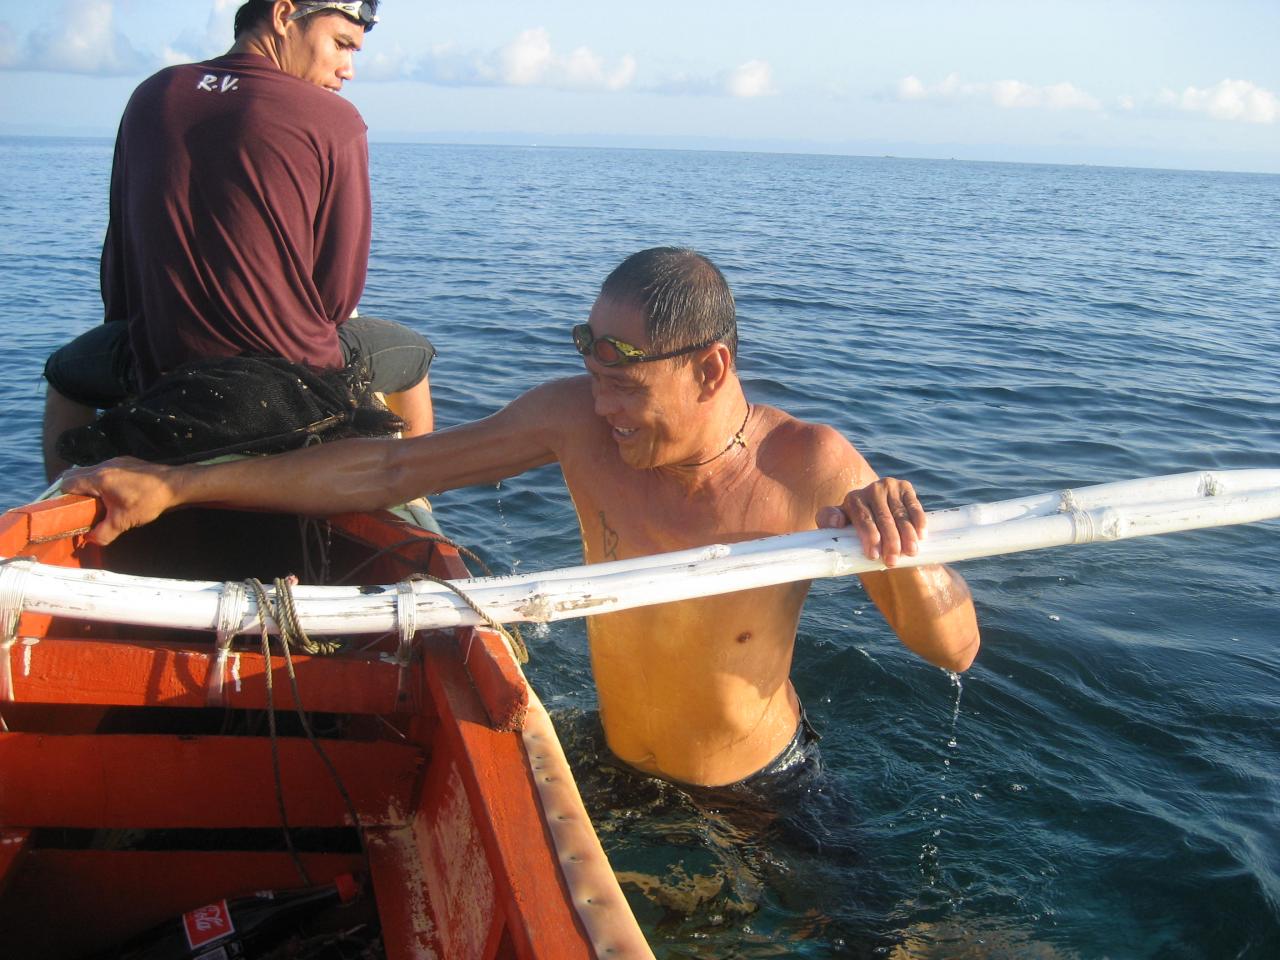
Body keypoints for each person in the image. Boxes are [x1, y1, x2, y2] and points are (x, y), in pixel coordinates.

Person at [65, 247, 981, 795]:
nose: (604, 405)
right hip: (617, 762)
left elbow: (954, 650)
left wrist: (897, 546)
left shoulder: (808, 466)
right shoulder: (573, 423)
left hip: (763, 788)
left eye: (627, 384)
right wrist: (182, 487)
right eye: (593, 376)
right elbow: (388, 467)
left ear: (710, 369)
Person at [42, 0, 436, 481]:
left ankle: (69, 508)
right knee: (414, 355)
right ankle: (409, 490)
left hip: (163, 367)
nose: (348, 69)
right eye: (341, 44)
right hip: (294, 375)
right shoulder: (334, 119)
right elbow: (336, 296)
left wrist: (138, 342)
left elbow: (119, 259)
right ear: (283, 15)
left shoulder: (152, 95)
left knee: (64, 375)